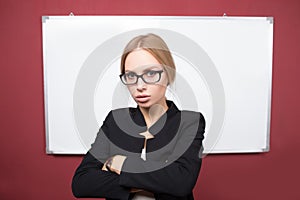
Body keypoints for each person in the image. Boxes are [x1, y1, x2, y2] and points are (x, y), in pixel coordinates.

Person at [72, 33, 206, 200]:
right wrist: (154, 179)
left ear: (169, 74)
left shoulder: (189, 122)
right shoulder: (115, 120)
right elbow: (82, 182)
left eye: (150, 74)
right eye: (131, 76)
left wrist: (120, 163)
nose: (139, 86)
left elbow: (180, 182)